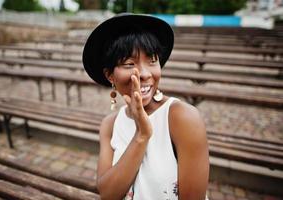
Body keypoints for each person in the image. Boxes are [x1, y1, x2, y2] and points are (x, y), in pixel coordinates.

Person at [82, 13, 209, 200]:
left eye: (152, 60)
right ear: (110, 75)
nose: (144, 73)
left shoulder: (182, 118)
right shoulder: (110, 125)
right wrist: (141, 136)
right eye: (129, 63)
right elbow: (108, 194)